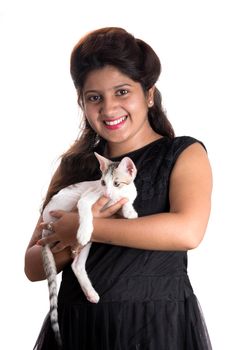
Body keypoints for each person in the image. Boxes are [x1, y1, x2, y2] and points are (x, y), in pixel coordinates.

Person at [24, 27, 213, 349]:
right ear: (81, 102)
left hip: (156, 324)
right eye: (94, 98)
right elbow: (32, 266)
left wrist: (87, 227)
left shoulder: (182, 153)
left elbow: (187, 231)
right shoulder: (75, 166)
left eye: (122, 92)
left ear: (149, 94)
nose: (109, 109)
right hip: (79, 327)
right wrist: (70, 240)